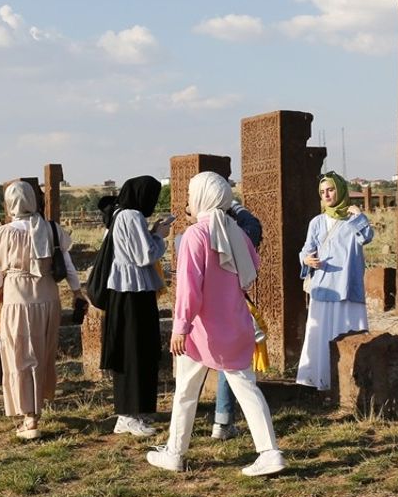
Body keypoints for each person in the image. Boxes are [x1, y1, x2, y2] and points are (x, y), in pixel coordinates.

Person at [146, 171, 285, 476]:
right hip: (236, 325)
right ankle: (270, 452)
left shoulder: (196, 235)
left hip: (201, 331)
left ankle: (175, 452)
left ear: (202, 197)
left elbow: (189, 288)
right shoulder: (235, 232)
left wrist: (180, 326)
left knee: (185, 392)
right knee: (248, 390)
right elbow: (250, 271)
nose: (188, 202)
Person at [0, 181, 81, 439]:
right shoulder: (50, 229)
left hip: (18, 297)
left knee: (20, 355)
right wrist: (76, 292)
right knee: (43, 352)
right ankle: (35, 409)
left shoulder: (5, 232)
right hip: (48, 296)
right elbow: (69, 266)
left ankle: (29, 416)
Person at [90, 175, 171, 437]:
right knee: (134, 352)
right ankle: (128, 415)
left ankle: (134, 413)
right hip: (131, 292)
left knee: (137, 351)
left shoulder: (121, 215)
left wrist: (151, 233)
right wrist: (159, 236)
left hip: (130, 291)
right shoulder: (131, 216)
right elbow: (144, 255)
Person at [297, 171, 374, 391]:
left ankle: (351, 384)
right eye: (322, 192)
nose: (327, 195)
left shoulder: (353, 219)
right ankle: (320, 379)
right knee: (321, 334)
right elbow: (306, 249)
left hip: (347, 286)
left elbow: (367, 236)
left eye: (330, 190)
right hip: (323, 287)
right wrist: (306, 259)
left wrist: (359, 215)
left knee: (347, 332)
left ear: (339, 190)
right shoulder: (317, 222)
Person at [211, 199, 263, 440]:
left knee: (197, 372)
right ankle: (224, 421)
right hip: (229, 307)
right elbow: (254, 227)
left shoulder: (193, 235)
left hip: (199, 309)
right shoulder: (233, 236)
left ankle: (181, 435)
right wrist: (237, 208)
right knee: (232, 365)